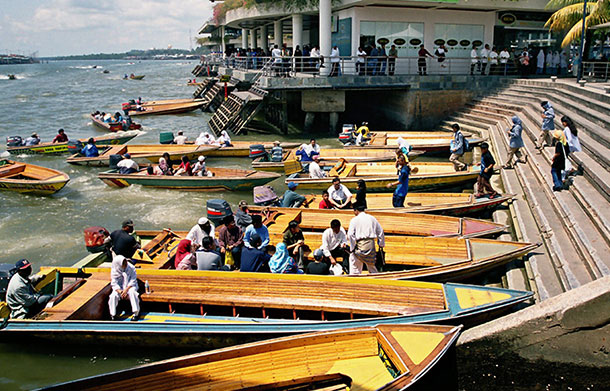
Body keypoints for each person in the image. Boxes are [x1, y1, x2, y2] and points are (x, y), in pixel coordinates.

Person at [347, 205, 385, 275]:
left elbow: (350, 235)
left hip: (360, 245)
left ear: (356, 211)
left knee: (355, 267)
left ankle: (355, 280)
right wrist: (381, 245)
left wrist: (352, 247)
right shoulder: (372, 218)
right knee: (372, 266)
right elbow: (380, 232)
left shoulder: (354, 220)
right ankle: (375, 279)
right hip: (371, 245)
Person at [108, 255, 140, 321]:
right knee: (113, 296)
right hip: (120, 288)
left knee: (133, 293)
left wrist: (126, 290)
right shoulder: (115, 270)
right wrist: (120, 291)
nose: (125, 264)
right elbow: (114, 283)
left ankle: (136, 313)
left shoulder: (131, 267)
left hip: (130, 286)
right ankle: (113, 314)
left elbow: (133, 280)